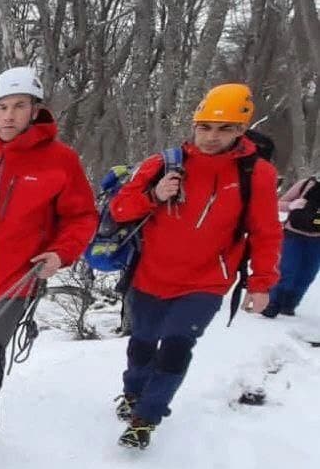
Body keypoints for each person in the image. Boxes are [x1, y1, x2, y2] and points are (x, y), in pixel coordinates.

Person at [0, 66, 98, 467]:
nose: (8, 116)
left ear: (35, 110)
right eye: (2, 107)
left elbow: (81, 218)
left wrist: (60, 254)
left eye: (19, 106)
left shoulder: (60, 161)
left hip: (15, 281)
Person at [110, 83, 282, 449]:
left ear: (241, 130)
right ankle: (132, 393)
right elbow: (120, 210)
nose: (211, 137)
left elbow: (266, 232)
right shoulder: (164, 163)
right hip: (150, 275)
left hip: (205, 282)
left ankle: (148, 417)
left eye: (224, 129)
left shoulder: (257, 174)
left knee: (176, 346)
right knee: (142, 342)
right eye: (204, 127)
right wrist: (154, 196)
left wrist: (261, 283)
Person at [262, 174, 320, 317]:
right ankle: (272, 303)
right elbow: (278, 204)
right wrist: (292, 205)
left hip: (317, 240)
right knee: (287, 269)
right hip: (294, 234)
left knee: (307, 274)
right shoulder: (306, 184)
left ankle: (290, 304)